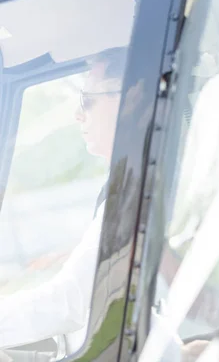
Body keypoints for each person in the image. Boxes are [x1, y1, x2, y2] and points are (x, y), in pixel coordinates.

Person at [0, 47, 127, 352]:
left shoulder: (132, 189)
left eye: (88, 99)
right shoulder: (129, 181)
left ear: (130, 98)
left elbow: (69, 302)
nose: (78, 114)